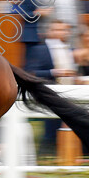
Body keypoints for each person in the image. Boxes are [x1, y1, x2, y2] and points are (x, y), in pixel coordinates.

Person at [24, 21, 75, 157]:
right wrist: (53, 72)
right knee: (51, 131)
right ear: (49, 32)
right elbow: (29, 72)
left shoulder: (70, 50)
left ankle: (66, 157)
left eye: (65, 30)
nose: (63, 33)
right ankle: (45, 156)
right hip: (50, 95)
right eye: (58, 29)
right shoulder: (39, 49)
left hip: (70, 94)